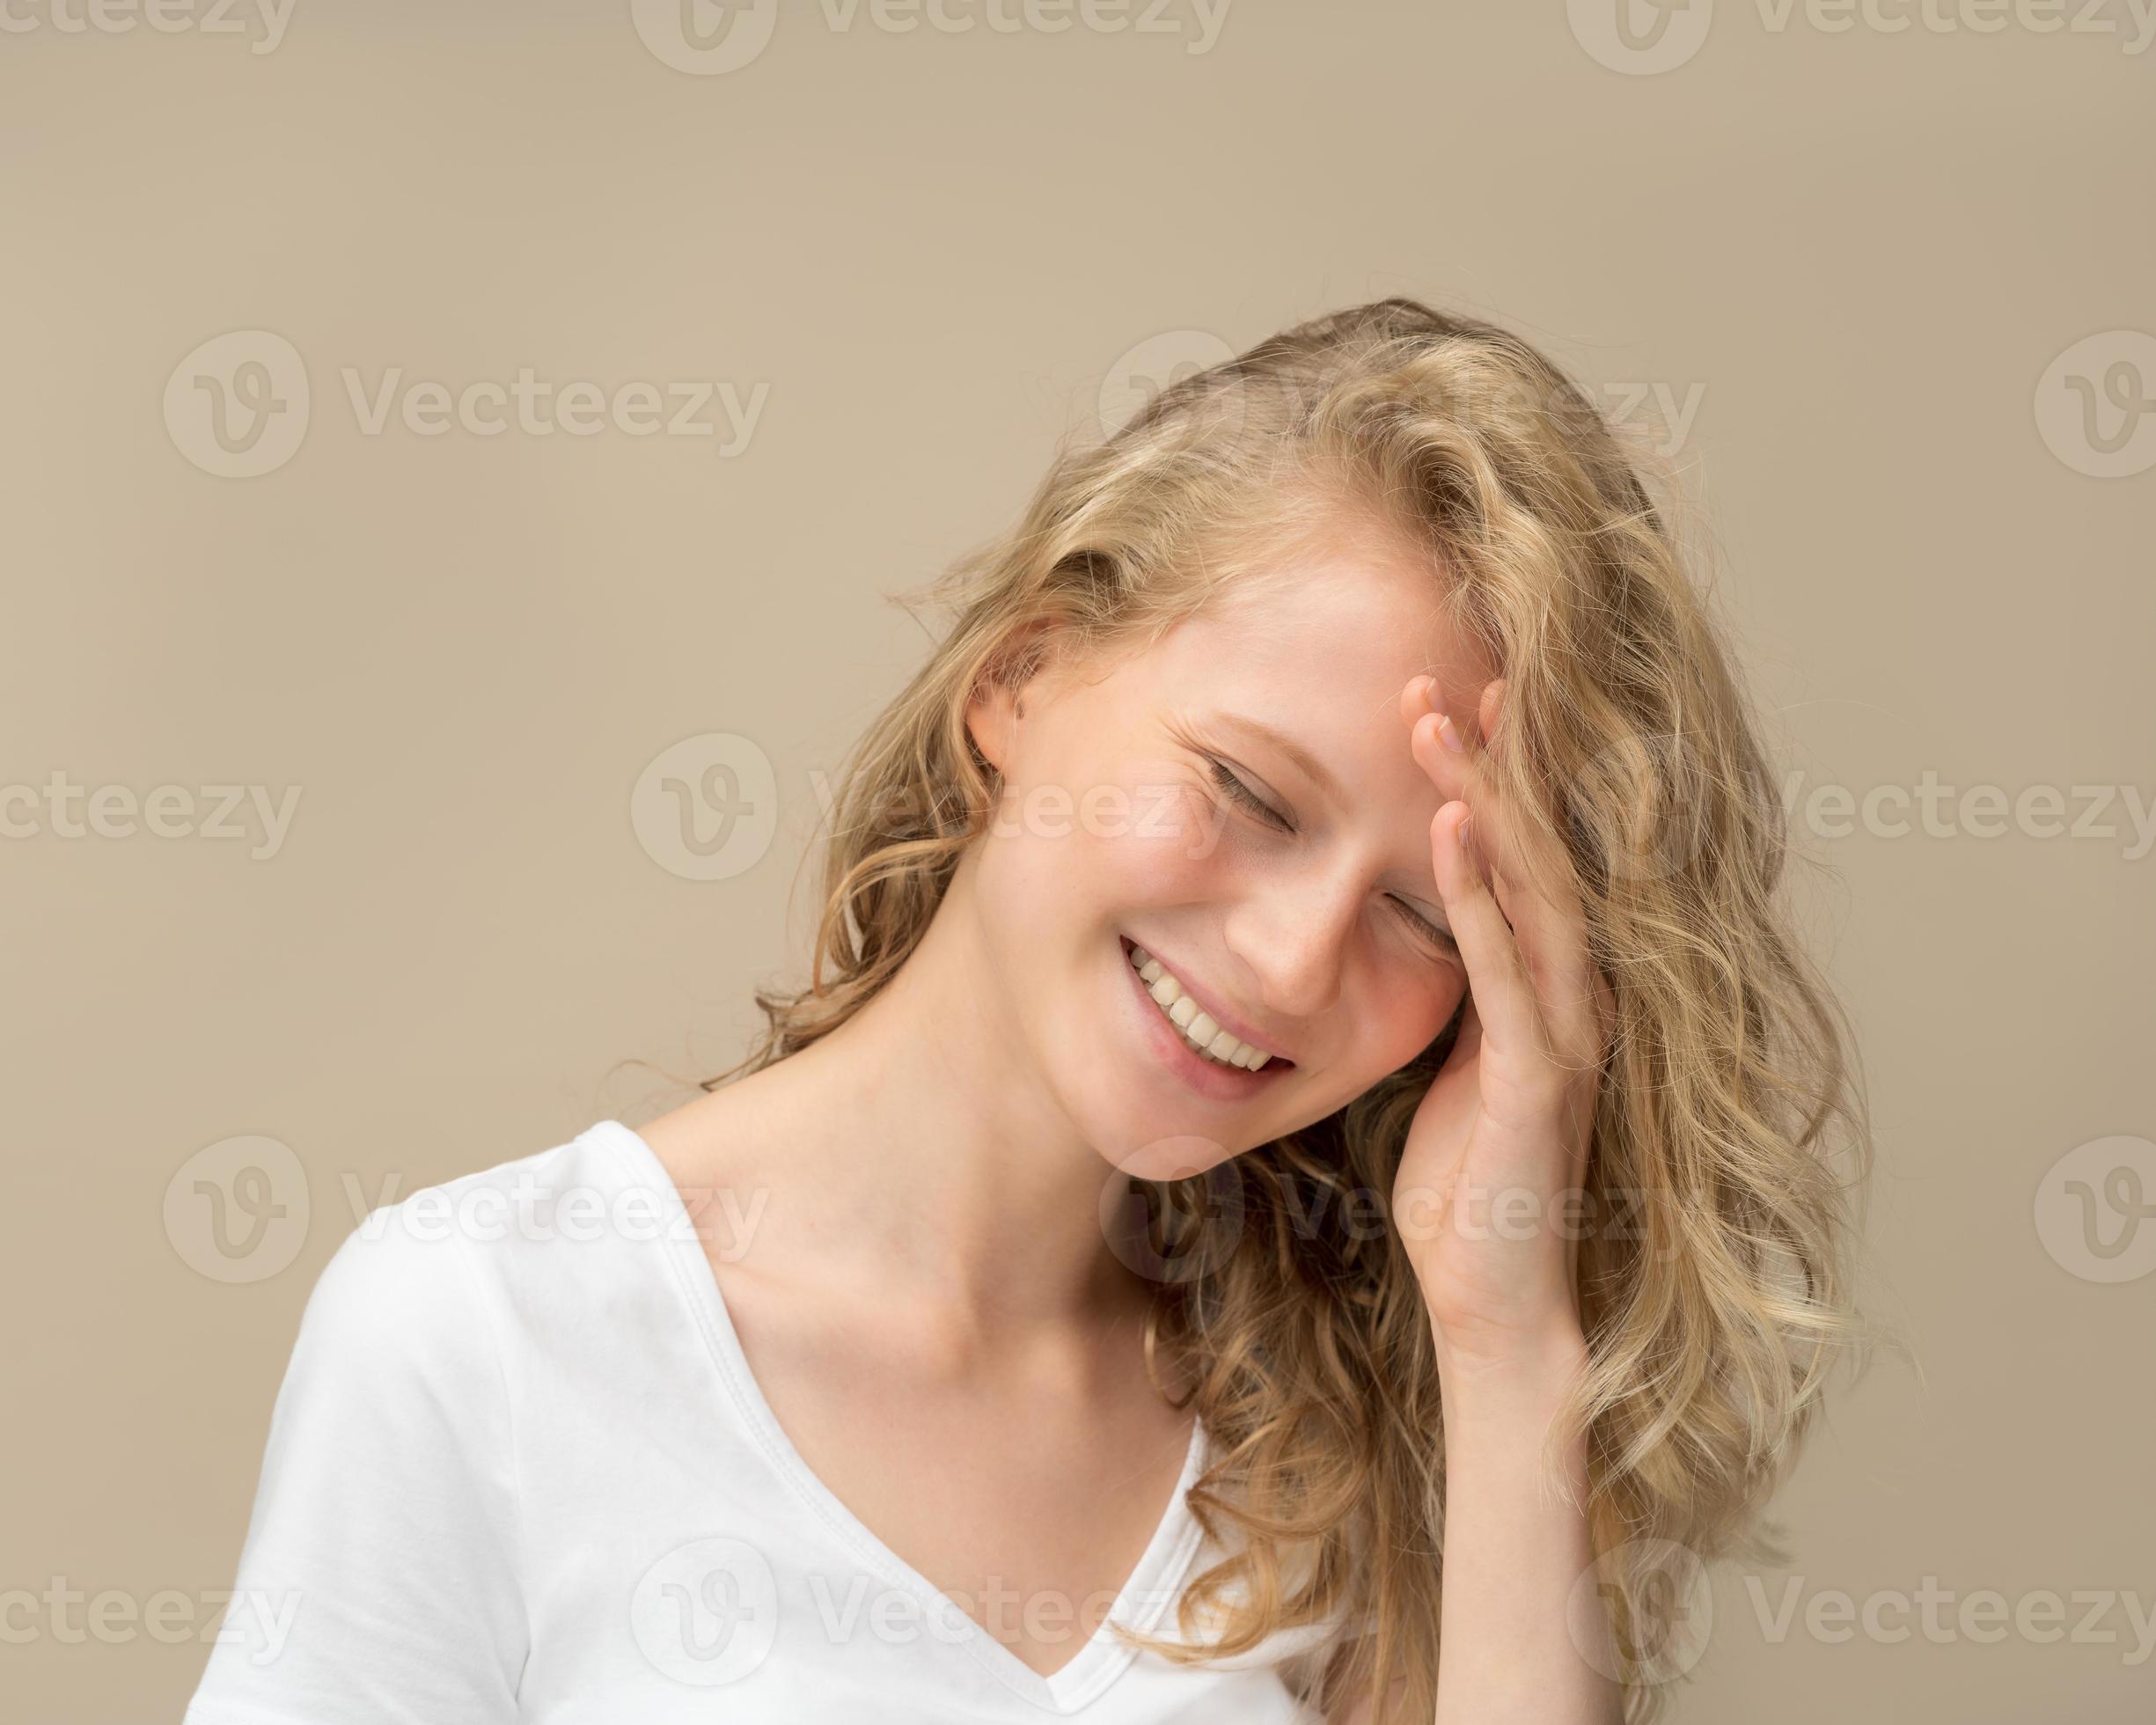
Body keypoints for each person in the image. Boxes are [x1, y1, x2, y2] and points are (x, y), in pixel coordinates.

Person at [186, 298, 1866, 1725]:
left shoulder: (1364, 1437)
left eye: (1424, 910)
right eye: (1246, 792)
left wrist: (1504, 1346)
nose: (1290, 963)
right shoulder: (483, 1332)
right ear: (1021, 677)